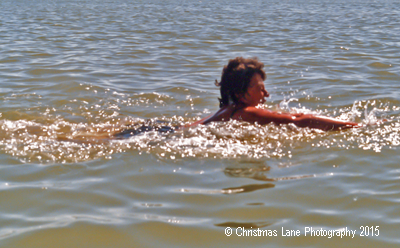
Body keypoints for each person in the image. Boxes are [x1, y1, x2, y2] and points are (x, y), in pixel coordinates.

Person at [190, 57, 360, 131]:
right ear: (241, 94)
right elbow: (300, 120)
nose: (266, 94)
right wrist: (354, 126)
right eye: (260, 89)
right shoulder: (246, 112)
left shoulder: (225, 111)